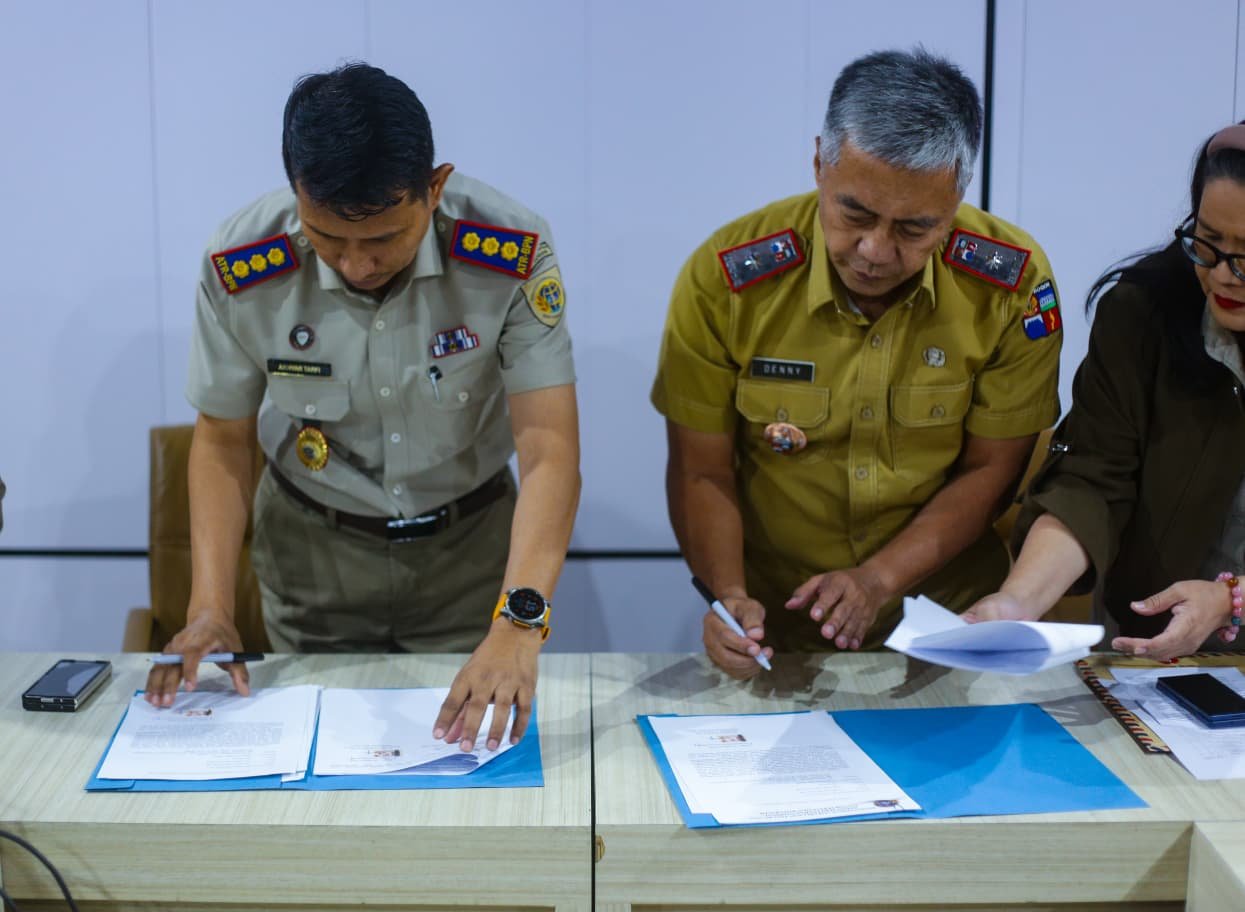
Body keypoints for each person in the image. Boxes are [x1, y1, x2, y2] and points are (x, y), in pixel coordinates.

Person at [145, 63, 581, 754]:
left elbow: (548, 448)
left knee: (466, 772)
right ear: (296, 193)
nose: (354, 266)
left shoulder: (509, 251)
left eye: (382, 239)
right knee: (321, 770)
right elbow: (223, 440)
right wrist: (210, 610)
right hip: (312, 556)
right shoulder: (241, 261)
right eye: (326, 238)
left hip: (467, 558)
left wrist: (517, 624)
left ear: (434, 189)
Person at [651, 49, 1062, 678]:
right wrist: (729, 597)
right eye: (856, 214)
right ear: (820, 162)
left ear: (955, 199)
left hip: (946, 625)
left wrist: (878, 580)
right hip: (782, 631)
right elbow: (701, 470)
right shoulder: (728, 279)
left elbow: (992, 471)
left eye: (914, 228)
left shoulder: (1011, 284)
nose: (875, 251)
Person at [967, 123, 1245, 661]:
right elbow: (1092, 479)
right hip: (1150, 657)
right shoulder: (1144, 313)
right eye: (1208, 243)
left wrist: (1231, 599)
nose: (1224, 276)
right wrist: (1017, 601)